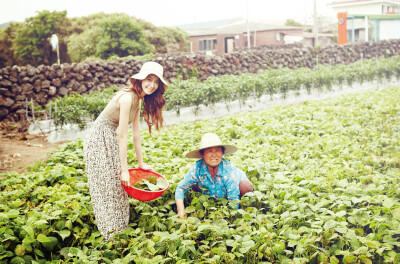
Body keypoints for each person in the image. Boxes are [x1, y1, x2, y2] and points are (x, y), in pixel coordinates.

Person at [83, 61, 168, 240]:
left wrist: (141, 163)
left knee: (117, 185)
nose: (152, 85)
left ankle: (119, 229)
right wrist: (124, 170)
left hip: (108, 137)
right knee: (108, 184)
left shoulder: (138, 99)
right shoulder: (128, 97)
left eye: (156, 82)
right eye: (149, 79)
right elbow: (123, 135)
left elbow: (136, 134)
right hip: (98, 138)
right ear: (141, 79)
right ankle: (109, 233)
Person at [175, 133, 254, 218]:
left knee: (245, 186)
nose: (214, 155)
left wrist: (230, 217)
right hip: (213, 195)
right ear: (202, 154)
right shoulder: (197, 168)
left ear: (222, 153)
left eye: (217, 150)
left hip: (236, 190)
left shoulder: (228, 170)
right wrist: (181, 210)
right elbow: (181, 188)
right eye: (209, 151)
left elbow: (233, 200)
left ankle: (246, 207)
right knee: (192, 185)